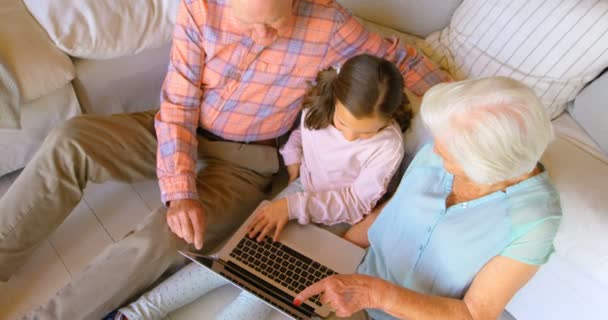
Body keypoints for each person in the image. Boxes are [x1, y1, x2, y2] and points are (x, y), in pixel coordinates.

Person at [5, 0, 450, 318]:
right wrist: (179, 191)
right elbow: (177, 106)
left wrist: (464, 107)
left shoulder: (328, 22)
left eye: (274, 24)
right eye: (249, 24)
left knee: (163, 239)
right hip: (179, 130)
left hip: (247, 160)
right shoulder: (200, 8)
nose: (261, 37)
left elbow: (398, 59)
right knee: (72, 139)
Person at [113, 54, 409, 320]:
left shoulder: (388, 145)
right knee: (234, 256)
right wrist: (293, 160)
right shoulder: (321, 103)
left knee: (264, 287)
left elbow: (356, 202)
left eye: (366, 132)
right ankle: (137, 312)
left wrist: (292, 206)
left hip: (338, 219)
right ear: (334, 99)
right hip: (300, 192)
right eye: (344, 124)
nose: (351, 138)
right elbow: (301, 137)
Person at [291, 77, 562, 320]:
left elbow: (474, 314)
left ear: (486, 171)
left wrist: (377, 295)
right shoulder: (440, 149)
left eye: (448, 154)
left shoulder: (535, 221)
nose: (435, 150)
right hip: (354, 284)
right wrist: (333, 253)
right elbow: (393, 210)